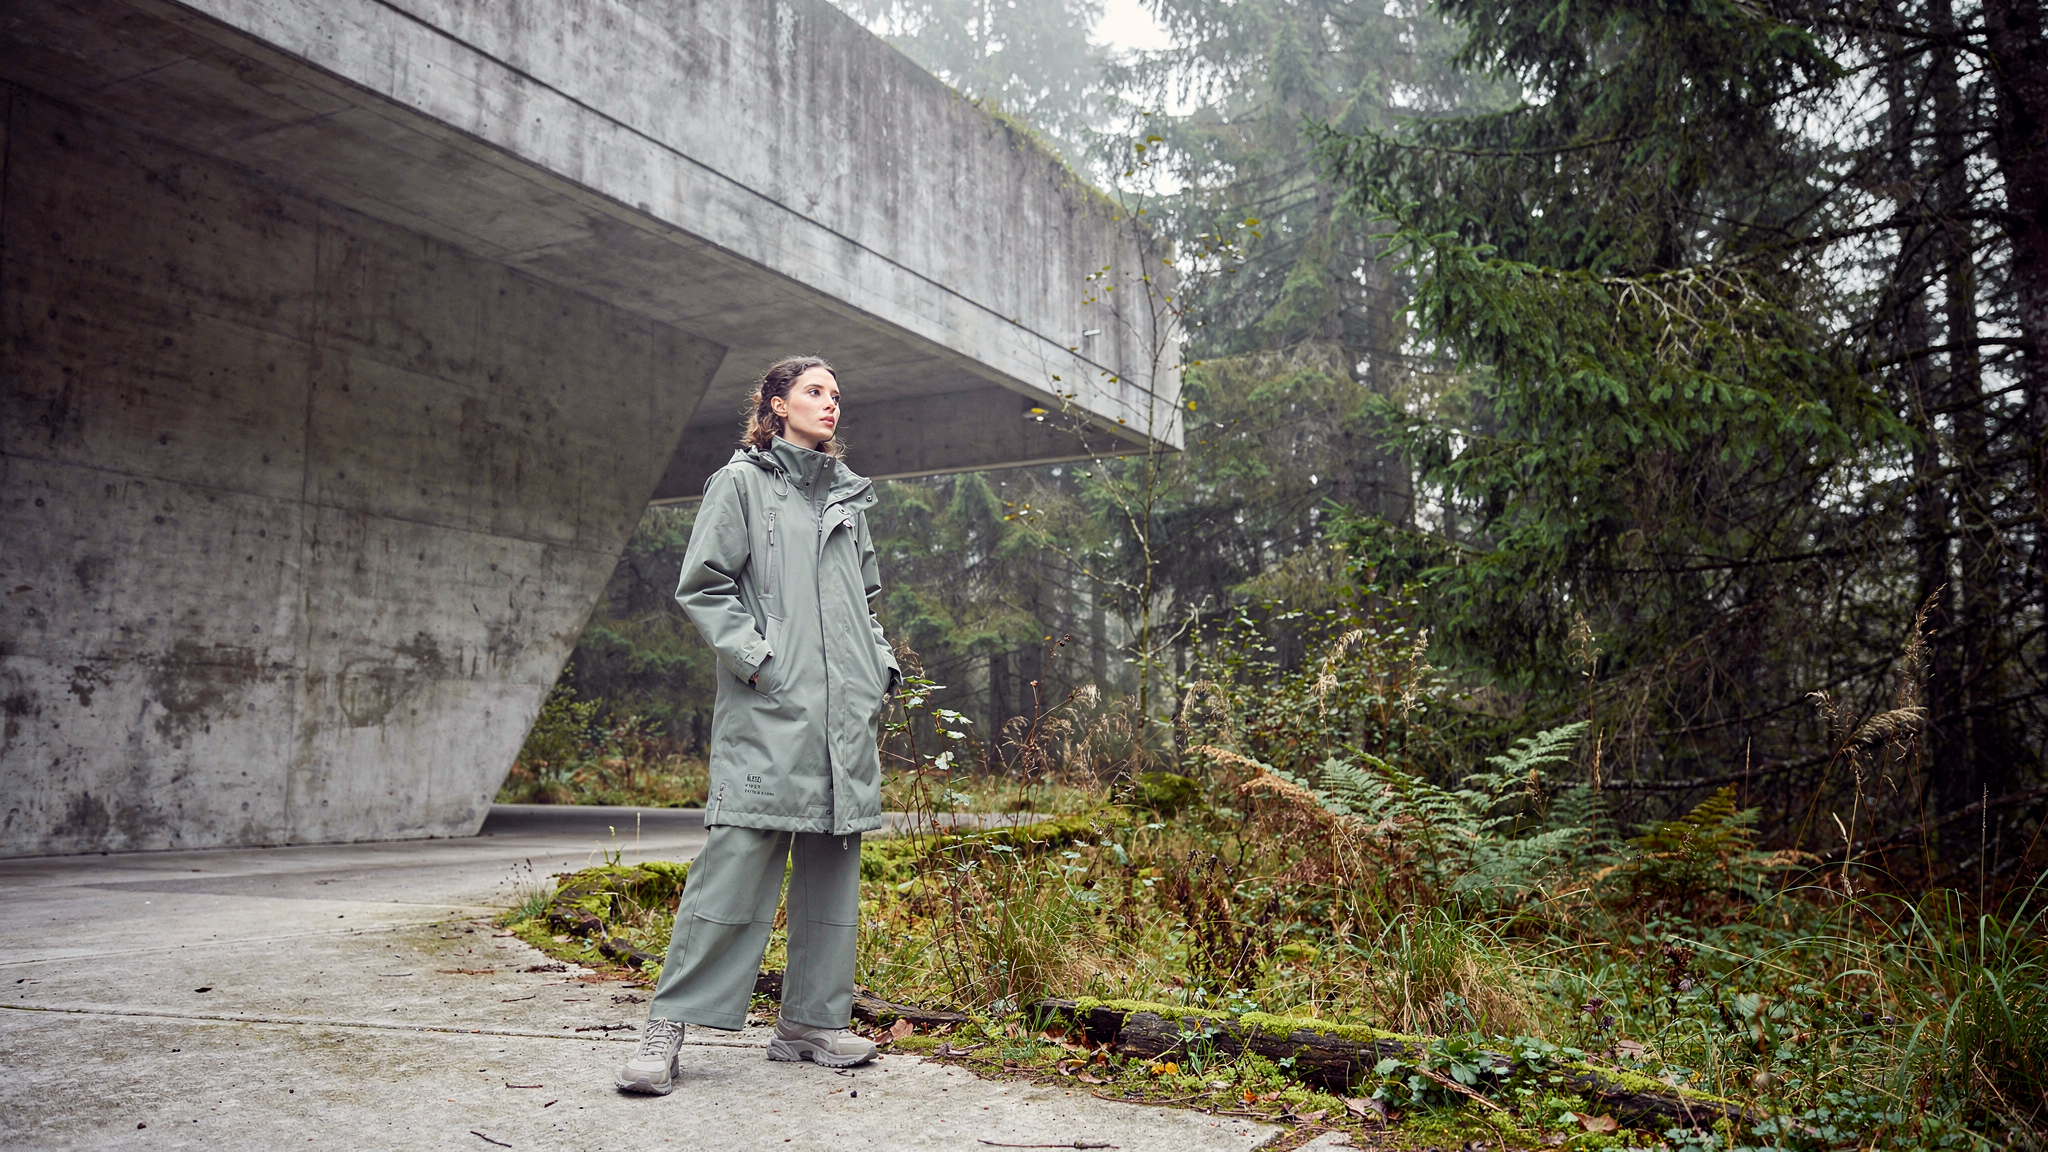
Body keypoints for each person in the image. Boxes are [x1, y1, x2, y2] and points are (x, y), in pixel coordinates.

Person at [616, 355, 900, 1095]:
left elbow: (865, 602)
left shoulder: (848, 498)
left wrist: (879, 669)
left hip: (843, 716)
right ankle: (667, 1026)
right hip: (770, 709)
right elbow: (704, 586)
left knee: (832, 872)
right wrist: (759, 662)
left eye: (836, 394)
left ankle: (810, 1023)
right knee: (734, 863)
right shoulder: (740, 483)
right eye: (814, 391)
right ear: (776, 404)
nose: (830, 404)